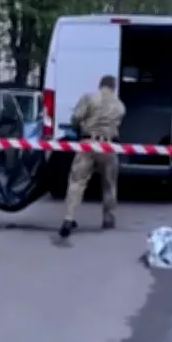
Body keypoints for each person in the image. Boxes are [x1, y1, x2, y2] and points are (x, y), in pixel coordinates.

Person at [59, 75, 126, 239]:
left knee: (77, 182)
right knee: (109, 185)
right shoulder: (120, 106)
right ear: (114, 87)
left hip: (87, 144)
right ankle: (108, 218)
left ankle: (69, 218)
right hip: (108, 146)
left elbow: (76, 118)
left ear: (100, 84)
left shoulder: (90, 98)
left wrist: (78, 128)